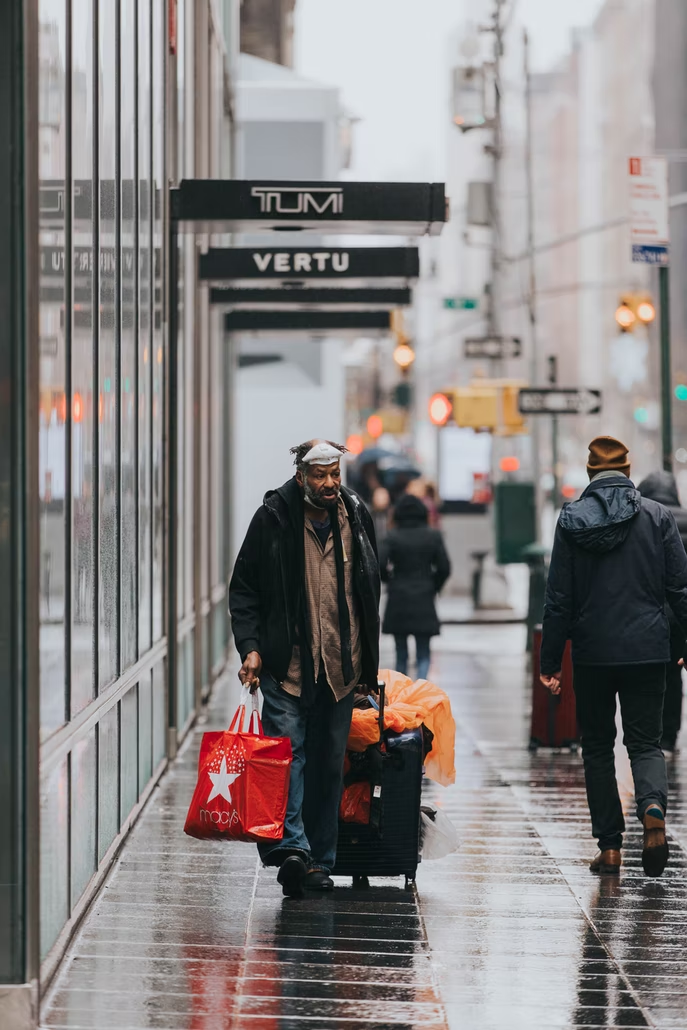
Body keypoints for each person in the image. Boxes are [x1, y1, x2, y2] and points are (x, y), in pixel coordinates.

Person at [229, 440, 381, 898]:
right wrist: (251, 648)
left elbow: (370, 588)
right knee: (289, 760)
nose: (330, 483)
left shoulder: (355, 515)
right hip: (287, 668)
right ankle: (293, 851)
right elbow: (244, 589)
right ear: (301, 477)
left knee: (328, 767)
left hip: (339, 668)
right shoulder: (272, 519)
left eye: (335, 474)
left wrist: (367, 666)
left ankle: (319, 860)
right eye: (320, 476)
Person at [540, 436, 687, 879]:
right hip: (647, 651)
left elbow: (558, 599)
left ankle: (609, 848)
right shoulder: (658, 517)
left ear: (589, 474)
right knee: (645, 742)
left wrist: (549, 662)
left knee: (598, 747)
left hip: (593, 653)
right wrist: (681, 647)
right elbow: (679, 590)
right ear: (627, 471)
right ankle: (654, 810)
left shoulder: (571, 520)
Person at [638, 469, 687, 752]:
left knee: (646, 675)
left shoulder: (643, 521)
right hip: (679, 615)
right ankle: (669, 735)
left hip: (648, 612)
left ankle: (650, 733)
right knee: (673, 673)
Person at [380, 493, 451, 681]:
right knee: (423, 653)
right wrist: (433, 585)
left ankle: (403, 696)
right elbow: (444, 567)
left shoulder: (392, 536)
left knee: (401, 654)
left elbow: (378, 564)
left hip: (398, 597)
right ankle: (420, 692)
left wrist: (390, 580)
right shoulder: (433, 536)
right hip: (424, 595)